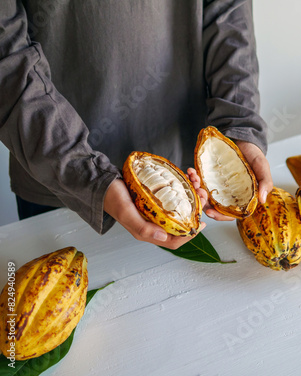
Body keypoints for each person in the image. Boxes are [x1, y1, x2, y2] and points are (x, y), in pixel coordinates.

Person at [0, 0, 273, 249]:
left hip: (191, 182)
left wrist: (239, 123)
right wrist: (88, 176)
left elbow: (228, 12)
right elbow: (7, 59)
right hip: (56, 176)